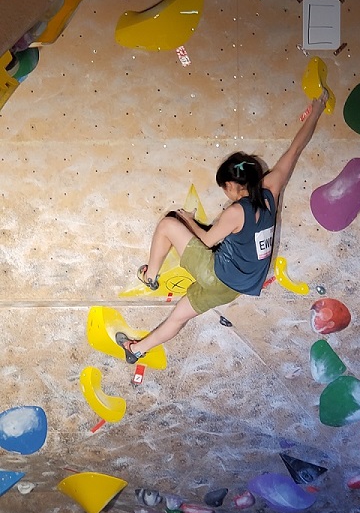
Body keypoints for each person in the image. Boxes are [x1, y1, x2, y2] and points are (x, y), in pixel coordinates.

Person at [116, 90, 329, 363]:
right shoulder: (272, 189)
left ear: (232, 186)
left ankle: (150, 276)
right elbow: (296, 148)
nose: (224, 193)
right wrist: (317, 108)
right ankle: (136, 350)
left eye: (224, 188)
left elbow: (205, 241)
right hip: (232, 288)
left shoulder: (236, 212)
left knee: (169, 224)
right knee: (179, 316)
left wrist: (188, 219)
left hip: (214, 275)